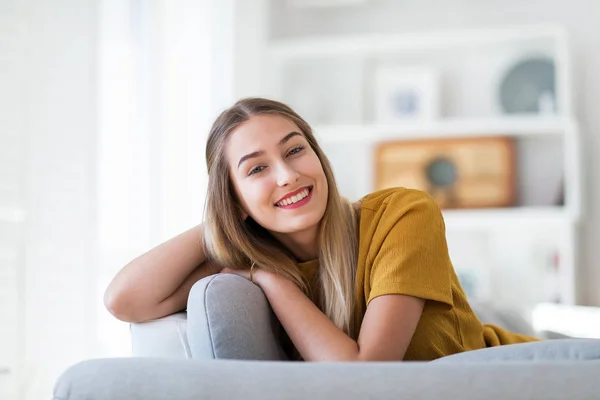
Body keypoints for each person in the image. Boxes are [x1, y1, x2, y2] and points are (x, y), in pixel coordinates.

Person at [104, 97, 538, 362]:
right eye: (256, 168)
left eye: (295, 150)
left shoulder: (402, 213)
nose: (287, 175)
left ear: (318, 156)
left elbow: (366, 374)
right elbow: (125, 300)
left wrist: (274, 283)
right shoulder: (250, 255)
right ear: (233, 198)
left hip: (525, 373)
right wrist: (223, 220)